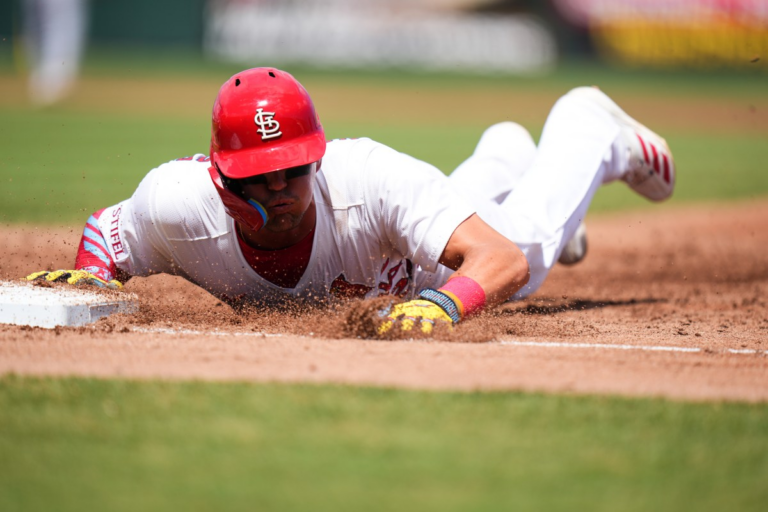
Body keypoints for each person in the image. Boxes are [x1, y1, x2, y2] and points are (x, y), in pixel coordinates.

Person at [26, 68, 675, 334]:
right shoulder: (176, 206)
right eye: (260, 177)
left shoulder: (368, 181)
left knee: (531, 242)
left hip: (437, 267)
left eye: (293, 170)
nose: (280, 189)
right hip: (416, 226)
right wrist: (92, 274)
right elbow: (108, 233)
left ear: (316, 157)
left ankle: (588, 127)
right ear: (223, 182)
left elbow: (500, 260)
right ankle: (506, 153)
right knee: (471, 197)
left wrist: (442, 305)